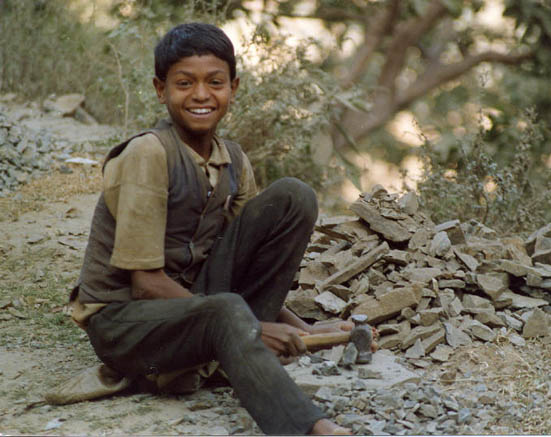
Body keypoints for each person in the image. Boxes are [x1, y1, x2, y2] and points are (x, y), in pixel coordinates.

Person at [68, 22, 351, 435]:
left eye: (215, 82)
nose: (201, 95)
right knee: (225, 311)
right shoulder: (148, 154)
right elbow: (146, 284)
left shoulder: (232, 159)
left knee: (294, 195)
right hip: (126, 321)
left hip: (196, 304)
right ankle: (308, 427)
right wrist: (252, 328)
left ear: (233, 88)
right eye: (184, 83)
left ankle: (232, 344)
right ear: (160, 89)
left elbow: (241, 262)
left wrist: (300, 327)